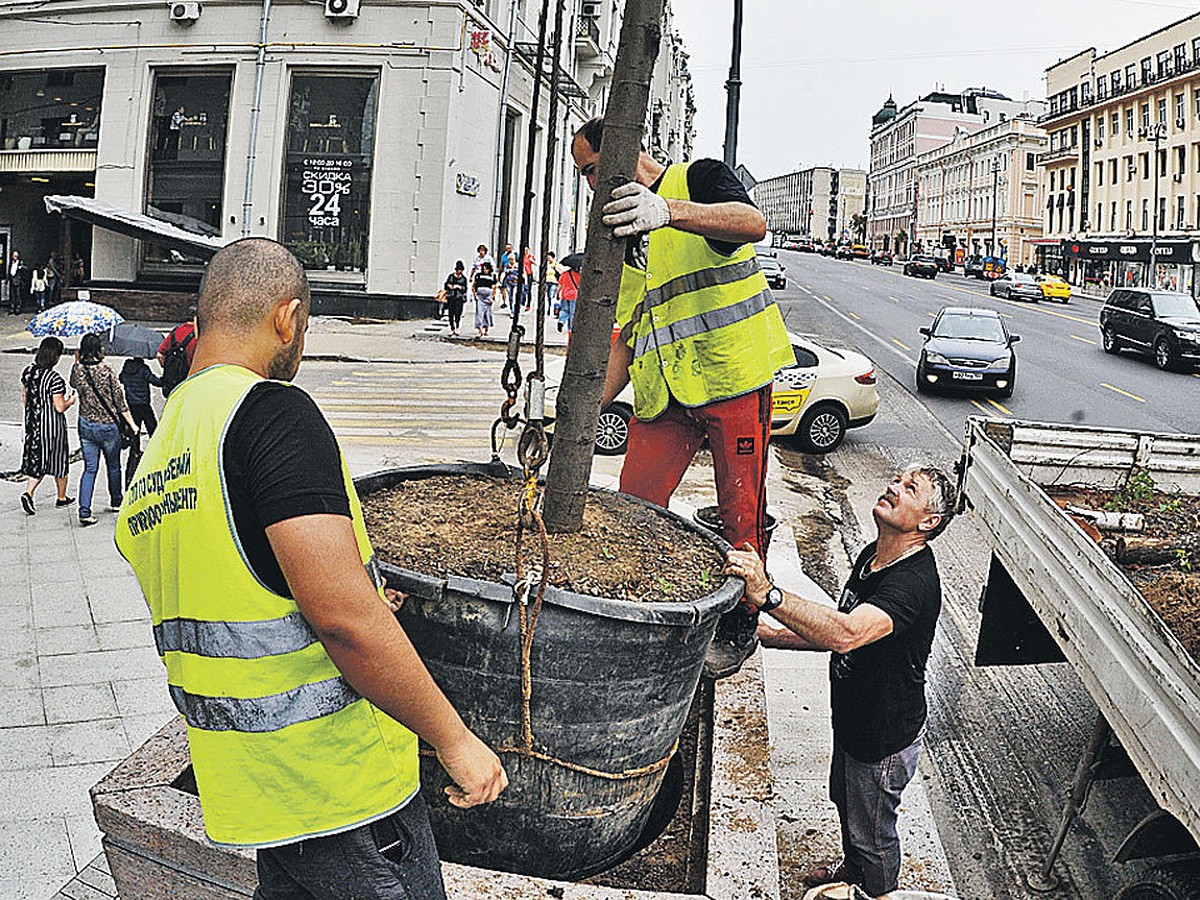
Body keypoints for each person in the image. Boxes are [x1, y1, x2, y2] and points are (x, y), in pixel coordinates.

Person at [114, 237, 507, 899]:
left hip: (257, 794)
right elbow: (343, 621)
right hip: (345, 790)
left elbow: (241, 593)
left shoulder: (163, 453)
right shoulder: (269, 412)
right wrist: (455, 739)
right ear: (287, 319)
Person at [571, 115, 795, 679]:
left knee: (739, 510)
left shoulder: (697, 178)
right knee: (635, 504)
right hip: (664, 393)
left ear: (626, 153)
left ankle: (741, 619)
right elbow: (625, 335)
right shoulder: (625, 236)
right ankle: (641, 609)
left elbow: (752, 222)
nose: (591, 186)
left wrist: (667, 211)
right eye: (583, 176)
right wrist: (575, 414)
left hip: (731, 377)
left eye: (594, 170)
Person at [725, 464, 956, 899]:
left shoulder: (912, 584)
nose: (893, 487)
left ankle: (875, 891)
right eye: (897, 480)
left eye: (910, 489)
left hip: (883, 737)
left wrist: (768, 594)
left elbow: (847, 633)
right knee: (845, 802)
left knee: (873, 833)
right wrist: (771, 635)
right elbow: (840, 626)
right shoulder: (876, 554)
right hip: (853, 718)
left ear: (929, 523)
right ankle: (852, 870)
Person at [70, 332, 137, 526]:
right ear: (99, 349)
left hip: (86, 425)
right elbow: (120, 401)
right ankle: (116, 500)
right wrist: (132, 425)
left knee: (90, 468)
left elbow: (73, 384)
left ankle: (84, 510)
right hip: (108, 426)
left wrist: (77, 361)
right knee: (113, 465)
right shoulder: (107, 370)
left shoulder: (78, 369)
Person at [19, 337, 75, 514]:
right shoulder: (54, 379)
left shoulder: (27, 372)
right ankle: (61, 497)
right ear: (55, 356)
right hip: (52, 427)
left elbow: (25, 399)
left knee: (37, 460)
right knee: (59, 460)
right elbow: (59, 407)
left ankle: (29, 493)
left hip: (32, 424)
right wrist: (70, 401)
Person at [119, 357, 162, 436]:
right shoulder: (143, 369)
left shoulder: (126, 369)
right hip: (144, 403)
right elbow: (154, 380)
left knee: (135, 427)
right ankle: (154, 446)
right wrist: (165, 380)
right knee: (152, 427)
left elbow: (121, 379)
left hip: (132, 403)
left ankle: (135, 448)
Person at [444, 260, 469, 337]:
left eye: (461, 270)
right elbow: (446, 285)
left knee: (458, 313)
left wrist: (459, 287)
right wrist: (450, 286)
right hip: (451, 297)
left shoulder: (464, 278)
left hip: (459, 298)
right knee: (451, 313)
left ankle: (457, 327)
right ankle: (452, 328)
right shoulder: (451, 276)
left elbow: (465, 288)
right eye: (458, 270)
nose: (459, 272)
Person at [473, 260, 496, 339]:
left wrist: (492, 297)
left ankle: (486, 328)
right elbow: (474, 285)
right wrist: (474, 294)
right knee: (479, 312)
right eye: (484, 269)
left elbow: (494, 287)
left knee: (488, 313)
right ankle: (480, 330)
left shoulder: (492, 276)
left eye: (486, 269)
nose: (485, 270)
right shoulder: (478, 275)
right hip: (480, 295)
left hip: (488, 295)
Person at [556, 263, 579, 334]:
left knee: (564, 310)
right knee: (572, 313)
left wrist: (557, 293)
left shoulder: (564, 274)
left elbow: (560, 284)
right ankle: (571, 329)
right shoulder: (579, 275)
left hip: (565, 295)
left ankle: (561, 321)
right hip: (574, 295)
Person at [543, 252, 561, 317]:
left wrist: (555, 269)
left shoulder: (556, 265)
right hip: (547, 281)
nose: (548, 259)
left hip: (554, 282)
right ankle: (549, 308)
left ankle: (552, 310)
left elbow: (560, 273)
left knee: (552, 296)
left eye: (549, 258)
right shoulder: (547, 265)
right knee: (548, 297)